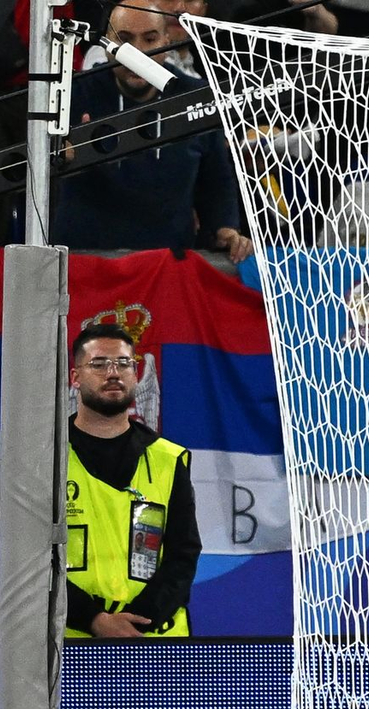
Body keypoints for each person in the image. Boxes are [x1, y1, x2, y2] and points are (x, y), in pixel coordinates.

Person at [52, 3, 252, 263]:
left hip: (166, 265)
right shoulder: (71, 94)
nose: (138, 52)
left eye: (150, 38)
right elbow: (34, 178)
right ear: (106, 43)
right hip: (86, 264)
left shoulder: (196, 97)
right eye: (124, 40)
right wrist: (57, 159)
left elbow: (216, 179)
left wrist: (226, 229)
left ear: (167, 39)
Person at [66, 324, 202, 638]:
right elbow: (29, 562)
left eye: (124, 364)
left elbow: (183, 555)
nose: (113, 373)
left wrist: (136, 622)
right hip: (71, 644)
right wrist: (94, 620)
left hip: (153, 642)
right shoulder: (44, 461)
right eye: (99, 364)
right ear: (75, 377)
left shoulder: (169, 459)